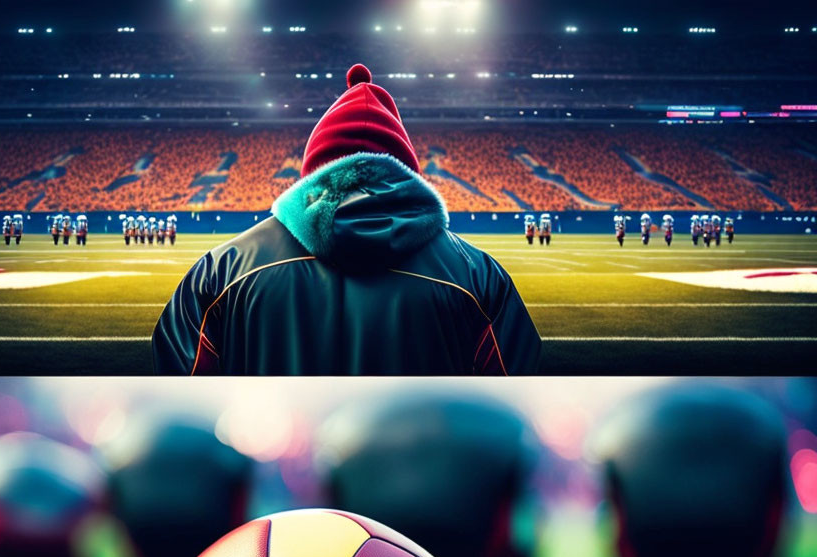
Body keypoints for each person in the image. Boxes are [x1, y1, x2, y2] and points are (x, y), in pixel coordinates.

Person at [153, 64, 540, 375]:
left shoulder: (222, 272)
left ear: (311, 171)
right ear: (407, 171)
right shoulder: (478, 276)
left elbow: (175, 397)